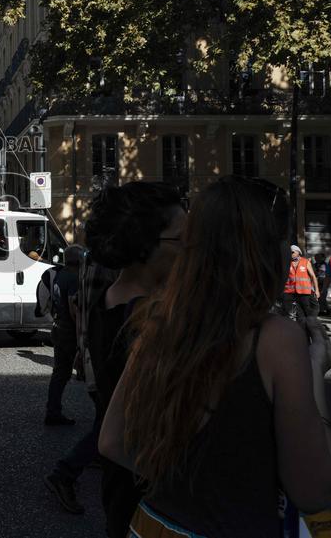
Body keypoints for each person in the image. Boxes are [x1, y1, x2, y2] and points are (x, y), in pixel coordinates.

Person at [99, 176, 331, 535]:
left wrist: (187, 480)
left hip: (155, 524)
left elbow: (112, 441)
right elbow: (314, 489)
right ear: (268, 250)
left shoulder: (158, 321)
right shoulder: (276, 339)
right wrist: (314, 371)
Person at [76, 181, 185, 535]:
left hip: (121, 489)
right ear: (144, 247)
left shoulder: (108, 300)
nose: (190, 250)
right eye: (181, 240)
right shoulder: (148, 318)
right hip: (153, 498)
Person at [45, 244, 84, 426]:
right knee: (87, 373)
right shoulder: (74, 279)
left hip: (58, 326)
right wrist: (81, 337)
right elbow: (74, 309)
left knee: (59, 373)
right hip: (69, 331)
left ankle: (52, 410)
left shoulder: (59, 275)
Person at [283, 244, 320, 320]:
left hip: (304, 293)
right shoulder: (286, 262)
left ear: (298, 252)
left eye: (292, 252)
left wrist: (316, 290)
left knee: (307, 312)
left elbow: (313, 276)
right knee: (294, 314)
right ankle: (299, 328)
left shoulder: (305, 262)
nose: (290, 254)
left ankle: (310, 326)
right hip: (290, 292)